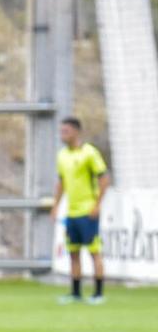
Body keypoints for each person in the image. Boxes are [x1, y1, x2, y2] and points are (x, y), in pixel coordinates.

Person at [47, 116, 109, 304]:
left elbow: (104, 179)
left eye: (66, 131)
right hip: (71, 212)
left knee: (93, 252)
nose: (62, 134)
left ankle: (98, 293)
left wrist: (97, 204)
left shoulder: (89, 153)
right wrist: (56, 205)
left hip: (87, 210)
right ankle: (75, 293)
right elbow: (61, 183)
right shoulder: (62, 155)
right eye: (61, 131)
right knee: (73, 252)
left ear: (76, 131)